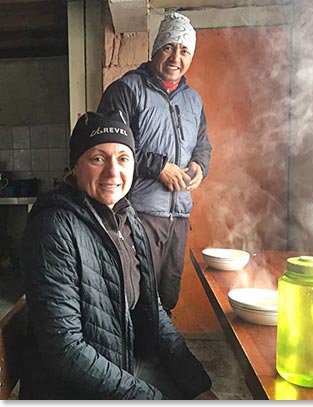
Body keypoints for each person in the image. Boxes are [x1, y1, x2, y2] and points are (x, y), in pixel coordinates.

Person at [19, 111, 218, 400]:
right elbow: (65, 349)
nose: (113, 172)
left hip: (121, 364)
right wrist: (148, 398)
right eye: (98, 158)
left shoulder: (125, 216)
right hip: (68, 388)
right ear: (75, 167)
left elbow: (153, 310)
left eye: (123, 158)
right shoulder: (53, 228)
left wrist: (198, 384)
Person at [97, 12, 212, 315]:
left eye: (184, 50)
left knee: (168, 295)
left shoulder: (193, 100)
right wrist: (158, 166)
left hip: (178, 215)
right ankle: (133, 359)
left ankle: (162, 356)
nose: (176, 57)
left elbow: (202, 145)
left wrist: (201, 164)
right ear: (156, 48)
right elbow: (109, 147)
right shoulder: (126, 90)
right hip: (138, 212)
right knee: (136, 294)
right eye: (169, 47)